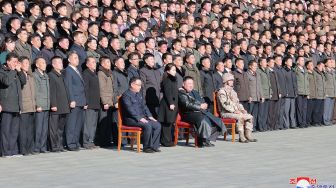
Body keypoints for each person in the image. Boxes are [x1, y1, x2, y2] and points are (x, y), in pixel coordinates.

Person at [178, 76, 226, 147]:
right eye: (188, 83)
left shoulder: (194, 91)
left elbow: (201, 100)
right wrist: (200, 106)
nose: (191, 85)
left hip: (199, 111)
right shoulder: (181, 92)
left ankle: (207, 139)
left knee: (216, 121)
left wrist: (204, 104)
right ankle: (201, 141)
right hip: (188, 114)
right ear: (183, 84)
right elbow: (187, 104)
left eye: (192, 83)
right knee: (203, 120)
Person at [121, 77, 161, 153]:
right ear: (132, 84)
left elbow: (144, 106)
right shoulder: (126, 95)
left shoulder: (139, 94)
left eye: (140, 85)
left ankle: (154, 146)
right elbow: (129, 109)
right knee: (147, 125)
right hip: (131, 119)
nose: (140, 87)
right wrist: (139, 118)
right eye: (138, 85)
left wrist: (150, 116)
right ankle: (147, 147)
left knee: (157, 125)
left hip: (142, 118)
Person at [217, 73, 257, 143]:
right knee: (240, 117)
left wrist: (242, 109)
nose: (232, 82)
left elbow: (238, 103)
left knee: (250, 116)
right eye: (230, 80)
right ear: (226, 81)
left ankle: (248, 135)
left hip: (235, 111)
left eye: (232, 80)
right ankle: (241, 137)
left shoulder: (233, 91)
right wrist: (234, 111)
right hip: (226, 112)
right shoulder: (222, 91)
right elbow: (225, 104)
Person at [0, 53, 26, 157]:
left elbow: (24, 81)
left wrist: (19, 71)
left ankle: (12, 150)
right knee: (5, 130)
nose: (16, 64)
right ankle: (5, 151)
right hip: (6, 105)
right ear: (8, 61)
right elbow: (6, 81)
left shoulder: (16, 72)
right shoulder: (2, 71)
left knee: (14, 131)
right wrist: (13, 71)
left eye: (17, 62)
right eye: (14, 62)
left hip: (16, 105)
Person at [63, 51, 87, 151]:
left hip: (81, 100)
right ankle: (70, 143)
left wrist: (85, 101)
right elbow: (68, 86)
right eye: (74, 58)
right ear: (69, 59)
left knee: (78, 124)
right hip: (74, 101)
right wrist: (71, 99)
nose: (77, 60)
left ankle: (75, 142)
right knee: (72, 123)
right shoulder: (68, 70)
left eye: (77, 58)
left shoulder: (77, 70)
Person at [48, 56, 70, 152]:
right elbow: (52, 92)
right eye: (59, 63)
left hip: (64, 105)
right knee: (54, 128)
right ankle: (54, 146)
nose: (61, 64)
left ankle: (60, 145)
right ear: (53, 65)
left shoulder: (61, 75)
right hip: (56, 106)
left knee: (61, 128)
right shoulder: (51, 75)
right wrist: (53, 104)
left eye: (61, 62)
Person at [158, 63, 178, 147]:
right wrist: (171, 103)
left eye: (175, 70)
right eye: (173, 70)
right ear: (168, 71)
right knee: (167, 122)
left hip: (173, 103)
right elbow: (167, 92)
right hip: (167, 104)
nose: (174, 72)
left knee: (170, 122)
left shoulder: (173, 79)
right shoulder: (167, 79)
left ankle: (169, 139)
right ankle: (165, 141)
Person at [82, 57, 100, 149]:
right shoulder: (86, 74)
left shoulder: (94, 74)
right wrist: (86, 102)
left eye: (95, 62)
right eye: (92, 62)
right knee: (88, 123)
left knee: (93, 124)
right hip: (89, 103)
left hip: (96, 103)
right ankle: (86, 142)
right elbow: (85, 89)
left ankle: (91, 141)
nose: (94, 64)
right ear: (87, 64)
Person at [97, 56, 116, 147]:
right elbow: (102, 89)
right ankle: (102, 141)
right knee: (103, 123)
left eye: (109, 62)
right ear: (102, 64)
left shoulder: (109, 73)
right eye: (107, 62)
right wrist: (105, 102)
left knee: (108, 123)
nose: (109, 64)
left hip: (110, 101)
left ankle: (107, 141)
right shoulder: (101, 73)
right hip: (106, 102)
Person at [33, 57, 50, 153]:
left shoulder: (46, 75)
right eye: (42, 63)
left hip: (46, 105)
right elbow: (36, 92)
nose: (44, 64)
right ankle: (36, 147)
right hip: (40, 106)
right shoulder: (35, 76)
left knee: (44, 129)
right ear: (37, 65)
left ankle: (42, 147)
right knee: (38, 128)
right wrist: (37, 105)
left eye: (45, 63)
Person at [19, 56, 36, 155]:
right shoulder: (19, 75)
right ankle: (23, 149)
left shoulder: (30, 76)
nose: (27, 65)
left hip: (32, 106)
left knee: (30, 129)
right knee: (23, 130)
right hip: (24, 107)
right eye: (25, 63)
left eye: (28, 63)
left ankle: (30, 149)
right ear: (20, 64)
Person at [140, 53, 162, 118]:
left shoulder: (157, 71)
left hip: (158, 98)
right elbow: (142, 85)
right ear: (146, 61)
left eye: (153, 59)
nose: (153, 60)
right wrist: (144, 99)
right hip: (149, 99)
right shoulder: (142, 71)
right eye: (151, 59)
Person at [246, 60, 263, 131]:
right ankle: (248, 128)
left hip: (257, 97)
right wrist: (249, 96)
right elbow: (246, 86)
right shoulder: (246, 74)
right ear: (250, 66)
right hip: (251, 97)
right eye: (254, 66)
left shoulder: (257, 74)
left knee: (255, 113)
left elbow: (259, 86)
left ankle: (254, 126)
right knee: (249, 114)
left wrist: (261, 95)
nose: (256, 67)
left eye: (256, 66)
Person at [294, 56, 309, 128]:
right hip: (299, 92)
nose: (303, 61)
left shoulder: (305, 70)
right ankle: (300, 123)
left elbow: (307, 82)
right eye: (301, 60)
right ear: (297, 61)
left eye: (303, 60)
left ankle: (304, 121)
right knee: (299, 108)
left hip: (305, 92)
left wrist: (308, 92)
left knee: (304, 108)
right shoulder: (296, 70)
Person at [257, 58, 271, 131]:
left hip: (268, 93)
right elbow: (259, 84)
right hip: (262, 94)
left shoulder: (267, 70)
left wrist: (270, 92)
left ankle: (264, 125)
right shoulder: (258, 71)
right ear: (260, 63)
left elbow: (269, 82)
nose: (266, 63)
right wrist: (261, 95)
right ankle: (260, 126)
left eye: (266, 61)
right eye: (264, 62)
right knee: (261, 112)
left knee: (266, 112)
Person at [323, 58, 336, 126]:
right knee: (326, 107)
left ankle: (329, 120)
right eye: (329, 62)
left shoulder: (333, 71)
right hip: (327, 92)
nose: (331, 63)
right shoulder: (324, 71)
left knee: (331, 108)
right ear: (326, 64)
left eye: (332, 62)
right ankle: (325, 120)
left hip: (333, 92)